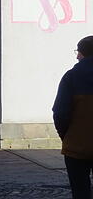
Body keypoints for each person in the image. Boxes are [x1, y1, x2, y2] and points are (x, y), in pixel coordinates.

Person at [53, 35, 93, 199]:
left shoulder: (71, 77)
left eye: (78, 52)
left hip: (77, 146)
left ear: (82, 54)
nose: (76, 56)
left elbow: (60, 113)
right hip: (76, 144)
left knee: (80, 191)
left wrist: (67, 136)